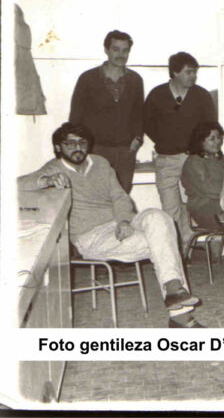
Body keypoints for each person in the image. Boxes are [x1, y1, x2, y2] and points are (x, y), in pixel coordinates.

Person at [17, 123, 204, 328]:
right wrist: (45, 180)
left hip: (121, 223)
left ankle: (173, 290)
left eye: (81, 142)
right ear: (58, 147)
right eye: (69, 143)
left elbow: (119, 197)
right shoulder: (55, 168)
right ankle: (179, 310)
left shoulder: (100, 163)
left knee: (160, 218)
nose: (77, 147)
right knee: (163, 241)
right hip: (91, 237)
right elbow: (17, 184)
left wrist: (124, 219)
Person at [143, 52, 216, 251]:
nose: (193, 77)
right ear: (174, 72)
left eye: (195, 73)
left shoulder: (201, 96)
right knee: (170, 207)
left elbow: (211, 127)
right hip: (166, 159)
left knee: (195, 203)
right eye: (188, 72)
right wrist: (165, 140)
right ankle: (178, 248)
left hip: (193, 159)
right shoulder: (157, 95)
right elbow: (147, 123)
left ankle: (188, 243)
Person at [69, 30, 144, 193]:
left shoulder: (135, 80)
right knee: (96, 197)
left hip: (125, 152)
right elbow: (75, 118)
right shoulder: (88, 79)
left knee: (122, 199)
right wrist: (81, 148)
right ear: (106, 50)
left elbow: (139, 114)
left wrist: (138, 138)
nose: (121, 54)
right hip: (96, 151)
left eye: (125, 50)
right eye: (116, 49)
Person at [181, 122, 224, 231]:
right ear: (200, 141)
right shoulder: (194, 162)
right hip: (204, 207)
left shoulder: (221, 158)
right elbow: (211, 190)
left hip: (221, 202)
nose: (217, 142)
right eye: (212, 139)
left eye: (218, 137)